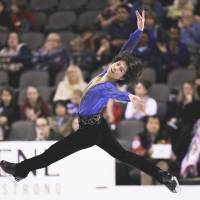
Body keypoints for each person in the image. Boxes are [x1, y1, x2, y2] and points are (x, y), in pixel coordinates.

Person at [0, 10, 180, 193]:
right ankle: (164, 177)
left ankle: (19, 170)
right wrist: (139, 31)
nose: (116, 66)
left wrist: (129, 97)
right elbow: (126, 50)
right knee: (124, 155)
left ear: (122, 76)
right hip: (98, 125)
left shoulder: (107, 86)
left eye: (120, 69)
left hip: (90, 131)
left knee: (54, 152)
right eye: (118, 64)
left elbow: (116, 94)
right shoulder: (105, 72)